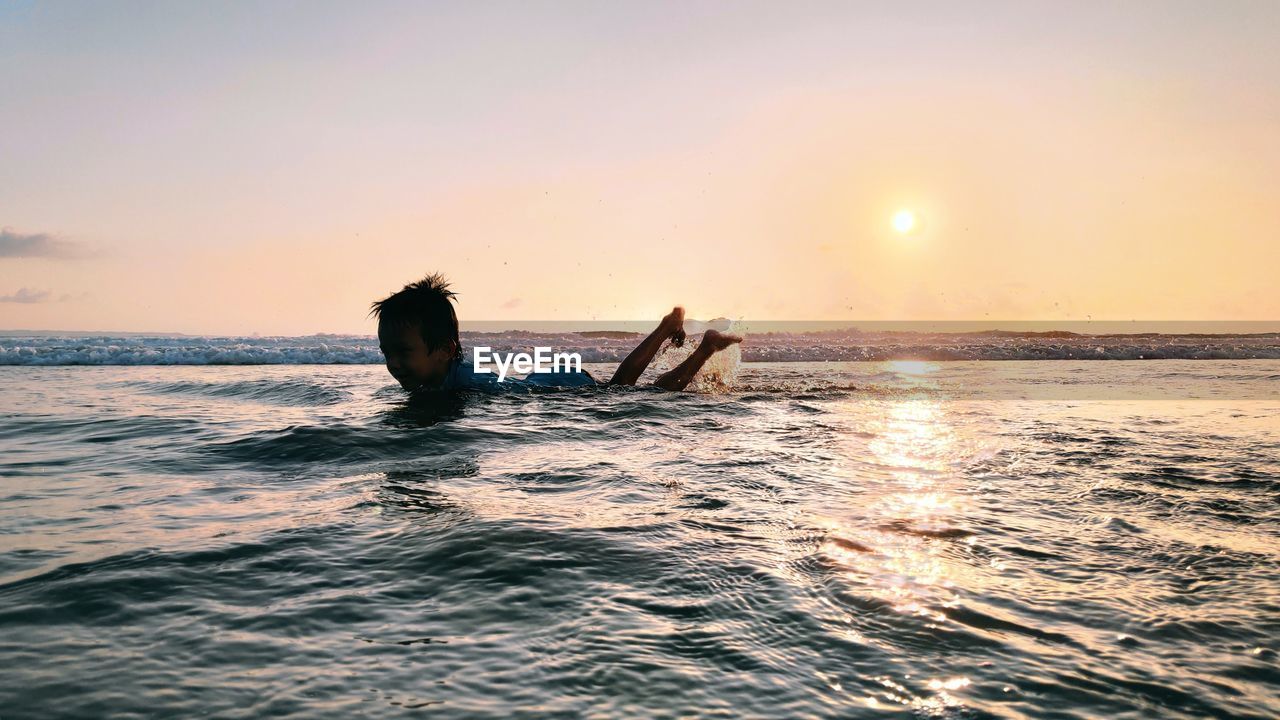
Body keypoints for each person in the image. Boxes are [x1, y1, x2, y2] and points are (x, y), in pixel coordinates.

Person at [371, 273, 741, 393]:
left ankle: (700, 344)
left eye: (403, 352)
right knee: (624, 388)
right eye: (388, 354)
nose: (394, 364)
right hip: (546, 378)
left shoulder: (467, 383)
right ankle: (673, 333)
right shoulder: (446, 380)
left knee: (628, 392)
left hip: (558, 387)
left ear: (444, 349)